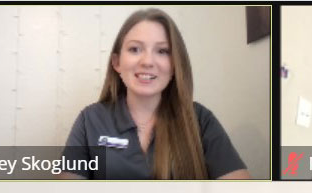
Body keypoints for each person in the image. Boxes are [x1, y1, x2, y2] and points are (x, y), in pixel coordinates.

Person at [61, 8, 249, 180]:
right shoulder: (90, 120)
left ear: (175, 65)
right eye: (135, 49)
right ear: (117, 62)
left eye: (162, 51)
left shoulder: (200, 120)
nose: (148, 61)